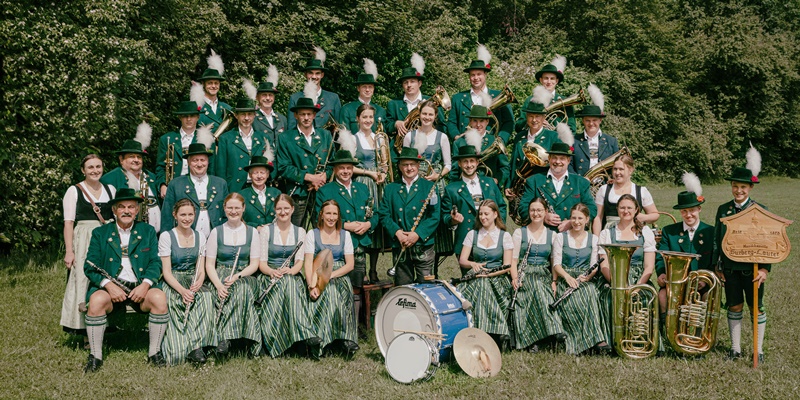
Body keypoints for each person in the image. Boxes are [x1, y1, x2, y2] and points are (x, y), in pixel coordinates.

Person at [83, 188, 168, 372]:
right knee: (96, 301)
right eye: (121, 207)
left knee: (159, 299)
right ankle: (95, 355)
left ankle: (155, 352)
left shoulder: (147, 231)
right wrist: (109, 286)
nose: (126, 211)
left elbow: (155, 262)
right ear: (114, 210)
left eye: (131, 207)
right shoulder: (101, 233)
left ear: (137, 210)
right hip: (112, 288)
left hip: (139, 288)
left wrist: (146, 284)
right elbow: (89, 266)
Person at [713, 161, 769, 363]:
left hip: (752, 271)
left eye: (743, 187)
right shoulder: (723, 210)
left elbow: (768, 243)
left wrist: (764, 269)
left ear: (750, 188)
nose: (739, 191)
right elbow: (716, 240)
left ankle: (758, 350)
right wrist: (717, 266)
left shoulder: (760, 210)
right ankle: (735, 349)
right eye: (735, 186)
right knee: (734, 306)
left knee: (757, 308)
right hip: (730, 269)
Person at [315, 149, 378, 325]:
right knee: (332, 286)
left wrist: (368, 224)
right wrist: (344, 226)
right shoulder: (326, 191)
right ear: (334, 170)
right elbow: (317, 219)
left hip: (358, 245)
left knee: (356, 286)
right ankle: (331, 322)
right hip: (334, 246)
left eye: (349, 168)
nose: (345, 171)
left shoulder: (363, 188)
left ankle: (354, 326)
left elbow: (375, 213)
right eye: (341, 168)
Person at [257, 194, 321, 358]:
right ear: (275, 210)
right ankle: (303, 335)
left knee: (290, 284)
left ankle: (292, 338)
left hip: (290, 275)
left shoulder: (300, 231)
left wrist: (290, 271)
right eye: (279, 208)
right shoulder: (265, 231)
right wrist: (273, 271)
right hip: (269, 276)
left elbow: (299, 261)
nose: (283, 212)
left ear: (292, 209)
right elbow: (262, 263)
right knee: (287, 286)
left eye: (286, 208)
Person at [61, 155, 116, 340]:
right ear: (83, 170)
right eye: (90, 167)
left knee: (106, 277)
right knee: (84, 279)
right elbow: (68, 223)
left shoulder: (110, 189)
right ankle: (85, 331)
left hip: (106, 237)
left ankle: (106, 323)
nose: (95, 170)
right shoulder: (74, 191)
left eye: (98, 166)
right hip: (84, 237)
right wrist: (69, 251)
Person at [204, 193, 262, 358]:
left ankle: (226, 338)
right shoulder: (216, 232)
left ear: (243, 209)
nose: (233, 211)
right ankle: (233, 339)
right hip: (220, 274)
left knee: (240, 289)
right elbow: (209, 264)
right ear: (224, 209)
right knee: (221, 294)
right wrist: (218, 285)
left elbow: (254, 264)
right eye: (230, 207)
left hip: (244, 275)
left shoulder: (252, 232)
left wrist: (237, 276)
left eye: (237, 207)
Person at [158, 199, 215, 365]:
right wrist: (183, 291)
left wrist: (199, 282)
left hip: (193, 278)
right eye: (183, 214)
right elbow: (166, 272)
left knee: (205, 298)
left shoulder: (200, 236)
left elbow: (201, 268)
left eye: (190, 214)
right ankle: (181, 347)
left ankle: (198, 346)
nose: (187, 218)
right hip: (174, 280)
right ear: (175, 215)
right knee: (176, 301)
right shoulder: (167, 236)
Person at [596, 194, 657, 346]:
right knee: (609, 299)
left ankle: (639, 341)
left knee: (643, 299)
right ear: (617, 209)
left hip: (639, 279)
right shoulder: (606, 233)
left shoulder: (646, 233)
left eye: (629, 207)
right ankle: (613, 341)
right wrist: (618, 284)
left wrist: (637, 286)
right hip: (614, 277)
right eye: (622, 207)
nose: (625, 211)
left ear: (636, 210)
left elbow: (649, 267)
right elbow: (604, 266)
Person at [655, 174, 714, 327]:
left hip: (701, 284)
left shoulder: (710, 231)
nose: (688, 215)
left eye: (692, 210)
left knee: (709, 296)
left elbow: (715, 259)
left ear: (699, 209)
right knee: (662, 295)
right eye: (684, 211)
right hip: (675, 282)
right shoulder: (670, 231)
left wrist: (705, 279)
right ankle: (666, 332)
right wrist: (661, 272)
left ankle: (699, 331)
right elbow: (661, 256)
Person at [551, 203, 608, 355]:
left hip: (584, 279)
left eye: (580, 218)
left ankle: (593, 340)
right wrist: (568, 277)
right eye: (573, 218)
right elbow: (556, 263)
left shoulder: (594, 239)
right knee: (581, 297)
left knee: (590, 292)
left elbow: (594, 266)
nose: (576, 222)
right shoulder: (560, 237)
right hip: (566, 279)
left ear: (587, 219)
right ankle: (591, 341)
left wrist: (587, 277)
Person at [378, 147, 440, 285]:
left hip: (422, 244)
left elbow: (434, 216)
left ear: (418, 165)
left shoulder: (429, 186)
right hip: (400, 243)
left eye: (412, 164)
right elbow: (384, 214)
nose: (409, 168)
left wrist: (417, 234)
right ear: (399, 167)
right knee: (403, 287)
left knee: (426, 286)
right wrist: (398, 233)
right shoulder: (390, 189)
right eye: (405, 165)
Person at [456, 200, 513, 349]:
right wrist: (472, 264)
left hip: (498, 278)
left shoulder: (504, 236)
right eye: (480, 214)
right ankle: (495, 332)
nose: (483, 217)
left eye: (486, 213)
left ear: (495, 214)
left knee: (483, 285)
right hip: (475, 276)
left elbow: (507, 266)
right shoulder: (472, 234)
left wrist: (489, 275)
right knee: (480, 285)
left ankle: (483, 334)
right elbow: (462, 260)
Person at [403, 100, 453, 272]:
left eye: (430, 114)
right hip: (415, 181)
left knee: (435, 218)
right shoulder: (410, 136)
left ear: (435, 117)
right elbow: (404, 161)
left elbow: (448, 165)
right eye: (424, 113)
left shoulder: (442, 136)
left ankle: (434, 268)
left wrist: (436, 176)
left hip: (434, 181)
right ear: (419, 114)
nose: (427, 117)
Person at [304, 200, 359, 356]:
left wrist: (329, 276)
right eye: (328, 213)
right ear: (321, 215)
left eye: (335, 214)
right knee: (325, 294)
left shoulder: (345, 235)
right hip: (317, 273)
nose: (331, 217)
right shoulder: (312, 234)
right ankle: (323, 340)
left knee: (335, 291)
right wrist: (311, 285)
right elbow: (308, 263)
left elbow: (350, 265)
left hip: (338, 274)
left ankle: (343, 338)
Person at [509, 198, 564, 352]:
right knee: (532, 288)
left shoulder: (552, 235)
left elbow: (554, 261)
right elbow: (513, 260)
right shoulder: (520, 232)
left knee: (541, 287)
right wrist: (515, 278)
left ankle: (545, 335)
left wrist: (554, 281)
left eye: (539, 210)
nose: (536, 213)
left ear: (546, 212)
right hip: (524, 272)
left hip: (543, 272)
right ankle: (540, 335)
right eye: (533, 210)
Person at [442, 144, 507, 272]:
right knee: (469, 280)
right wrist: (453, 219)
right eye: (465, 161)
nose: (469, 165)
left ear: (477, 163)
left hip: (492, 240)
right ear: (459, 164)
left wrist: (498, 227)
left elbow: (502, 207)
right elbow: (444, 215)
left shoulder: (490, 183)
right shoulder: (451, 189)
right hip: (466, 241)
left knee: (495, 276)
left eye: (472, 161)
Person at [276, 95, 333, 227]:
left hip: (321, 191)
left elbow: (332, 164)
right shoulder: (285, 137)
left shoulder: (325, 135)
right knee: (296, 233)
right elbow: (283, 167)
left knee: (322, 231)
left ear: (314, 115)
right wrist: (309, 177)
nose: (306, 118)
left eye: (309, 114)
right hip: (298, 192)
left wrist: (324, 176)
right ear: (296, 115)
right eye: (302, 114)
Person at [517, 142, 596, 231]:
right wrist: (542, 217)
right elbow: (523, 207)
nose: (558, 162)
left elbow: (592, 209)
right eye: (554, 158)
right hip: (542, 234)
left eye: (562, 158)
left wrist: (572, 222)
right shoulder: (534, 181)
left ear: (568, 160)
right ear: (549, 158)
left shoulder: (581, 182)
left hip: (572, 235)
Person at [446, 45, 514, 144]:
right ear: (469, 77)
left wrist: (501, 139)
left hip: (491, 145)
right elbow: (451, 122)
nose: (476, 78)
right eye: (472, 75)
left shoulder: (499, 96)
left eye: (479, 74)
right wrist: (456, 137)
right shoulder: (457, 98)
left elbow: (509, 121)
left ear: (485, 74)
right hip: (465, 145)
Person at [161, 142, 228, 239]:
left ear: (208, 161)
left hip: (215, 240)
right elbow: (167, 217)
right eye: (195, 160)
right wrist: (166, 241)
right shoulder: (175, 184)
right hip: (184, 239)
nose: (199, 164)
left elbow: (226, 214)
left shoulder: (220, 184)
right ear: (188, 162)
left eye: (203, 160)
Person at [351, 104, 387, 283]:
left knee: (376, 226)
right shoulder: (352, 138)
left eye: (370, 117)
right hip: (362, 183)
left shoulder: (379, 138)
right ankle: (362, 270)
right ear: (358, 119)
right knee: (363, 222)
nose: (367, 121)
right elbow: (349, 166)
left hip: (378, 184)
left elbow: (385, 162)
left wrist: (383, 173)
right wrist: (369, 173)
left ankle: (373, 270)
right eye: (364, 117)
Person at [101, 130, 161, 232]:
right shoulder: (110, 179)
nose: (136, 160)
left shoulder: (151, 177)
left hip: (155, 236)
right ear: (121, 159)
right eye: (131, 156)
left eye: (139, 157)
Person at [385, 54, 447, 144]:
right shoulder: (394, 103)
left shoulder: (431, 102)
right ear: (402, 85)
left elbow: (442, 126)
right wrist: (396, 124)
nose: (409, 85)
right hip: (401, 151)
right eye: (406, 82)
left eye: (412, 81)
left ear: (419, 83)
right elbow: (387, 126)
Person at [592, 153, 659, 235]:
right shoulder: (604, 189)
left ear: (630, 170)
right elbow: (598, 217)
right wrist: (596, 239)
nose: (617, 172)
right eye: (615, 169)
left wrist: (644, 217)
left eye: (621, 169)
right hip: (609, 234)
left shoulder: (641, 191)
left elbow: (655, 214)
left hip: (634, 234)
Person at [506, 100, 560, 199]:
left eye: (537, 116)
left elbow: (556, 165)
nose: (534, 120)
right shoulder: (519, 137)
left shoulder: (553, 137)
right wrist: (508, 185)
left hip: (541, 188)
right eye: (531, 116)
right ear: (526, 117)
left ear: (544, 118)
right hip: (518, 190)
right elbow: (513, 163)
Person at [156, 100, 209, 198]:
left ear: (197, 117)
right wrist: (162, 185)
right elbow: (160, 167)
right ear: (180, 117)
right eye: (185, 116)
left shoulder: (206, 138)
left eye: (192, 116)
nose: (189, 119)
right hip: (174, 186)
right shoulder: (167, 139)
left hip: (199, 186)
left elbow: (212, 167)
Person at [216, 98, 270, 192]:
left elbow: (272, 164)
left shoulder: (263, 138)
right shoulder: (226, 138)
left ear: (254, 115)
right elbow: (220, 170)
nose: (246, 118)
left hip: (259, 188)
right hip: (235, 189)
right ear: (236, 116)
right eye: (242, 114)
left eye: (249, 114)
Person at [451, 105, 509, 190]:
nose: (478, 125)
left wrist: (497, 180)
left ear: (487, 122)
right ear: (470, 121)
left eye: (481, 121)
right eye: (475, 121)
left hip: (488, 188)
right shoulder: (459, 142)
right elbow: (455, 170)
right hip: (465, 188)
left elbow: (505, 167)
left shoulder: (494, 141)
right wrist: (455, 189)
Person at [515, 56, 576, 133]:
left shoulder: (565, 102)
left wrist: (553, 130)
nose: (549, 82)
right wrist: (533, 123)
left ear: (557, 81)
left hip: (556, 142)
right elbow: (518, 126)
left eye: (552, 78)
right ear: (541, 80)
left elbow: (572, 129)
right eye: (546, 78)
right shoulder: (531, 100)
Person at [287, 47, 341, 130]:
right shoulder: (295, 98)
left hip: (326, 142)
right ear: (305, 74)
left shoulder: (333, 98)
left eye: (317, 73)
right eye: (310, 73)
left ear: (322, 75)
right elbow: (291, 128)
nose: (314, 77)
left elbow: (338, 127)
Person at [339, 60, 388, 134]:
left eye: (370, 87)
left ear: (373, 89)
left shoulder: (381, 111)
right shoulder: (347, 109)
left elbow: (384, 135)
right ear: (358, 88)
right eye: (364, 87)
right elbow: (344, 136)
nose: (367, 90)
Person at [571, 103, 619, 177]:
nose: (591, 123)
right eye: (587, 120)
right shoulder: (573, 141)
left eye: (594, 120)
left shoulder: (611, 141)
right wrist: (578, 181)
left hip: (605, 185)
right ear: (583, 121)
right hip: (580, 184)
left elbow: (617, 165)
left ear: (600, 120)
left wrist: (613, 179)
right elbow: (568, 164)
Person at [238, 154, 280, 229]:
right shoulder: (242, 195)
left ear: (267, 175)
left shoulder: (276, 193)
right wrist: (256, 227)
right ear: (250, 175)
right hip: (251, 235)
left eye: (262, 173)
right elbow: (238, 220)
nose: (259, 176)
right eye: (255, 173)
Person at [197, 51, 232, 134]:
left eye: (216, 83)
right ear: (203, 84)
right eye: (210, 83)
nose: (213, 86)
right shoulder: (196, 107)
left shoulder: (227, 108)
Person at [253, 70, 287, 150]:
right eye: (264, 95)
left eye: (270, 95)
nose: (268, 98)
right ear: (257, 97)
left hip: (280, 161)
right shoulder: (252, 118)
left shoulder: (282, 119)